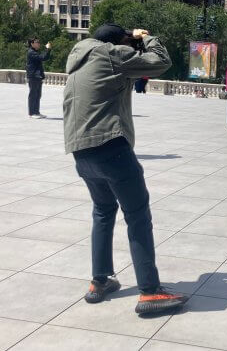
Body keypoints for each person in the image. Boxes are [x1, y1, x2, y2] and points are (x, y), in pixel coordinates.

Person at [63, 23, 188, 315]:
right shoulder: (111, 54)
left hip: (81, 153)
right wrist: (146, 37)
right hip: (111, 147)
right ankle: (149, 292)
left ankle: (100, 280)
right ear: (117, 43)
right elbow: (161, 62)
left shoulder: (78, 58)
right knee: (138, 216)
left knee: (103, 212)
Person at [26, 37, 52, 119]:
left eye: (39, 42)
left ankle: (36, 112)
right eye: (37, 42)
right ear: (32, 44)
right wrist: (48, 49)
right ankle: (32, 113)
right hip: (33, 76)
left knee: (38, 95)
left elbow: (45, 57)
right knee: (33, 95)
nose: (39, 43)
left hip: (38, 76)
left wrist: (48, 50)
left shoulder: (35, 52)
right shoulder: (31, 52)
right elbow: (43, 57)